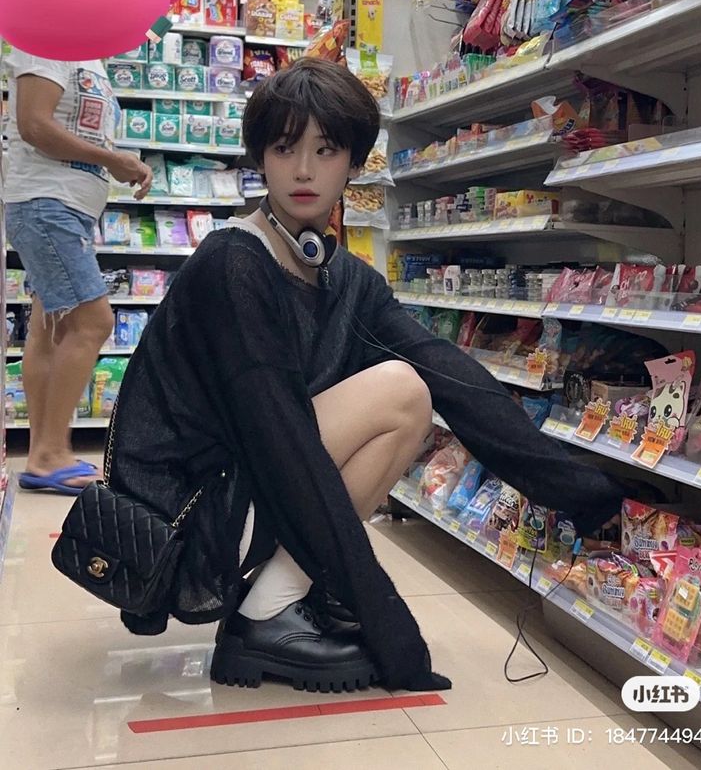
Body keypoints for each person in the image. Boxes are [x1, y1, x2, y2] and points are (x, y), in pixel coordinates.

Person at [107, 57, 626, 693]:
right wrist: (386, 623)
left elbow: (451, 372)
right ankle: (265, 612)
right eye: (284, 147)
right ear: (260, 158)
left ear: (353, 164)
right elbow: (282, 446)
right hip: (191, 513)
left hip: (249, 486)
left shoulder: (341, 276)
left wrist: (582, 488)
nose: (303, 169)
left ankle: (283, 594)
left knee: (418, 384)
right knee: (399, 391)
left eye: (326, 150)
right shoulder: (233, 266)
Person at [4, 49, 152, 495]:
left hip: (65, 210)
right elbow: (33, 124)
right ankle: (51, 453)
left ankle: (41, 454)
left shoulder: (90, 59)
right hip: (48, 205)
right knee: (94, 322)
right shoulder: (45, 47)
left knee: (49, 329)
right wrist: (112, 159)